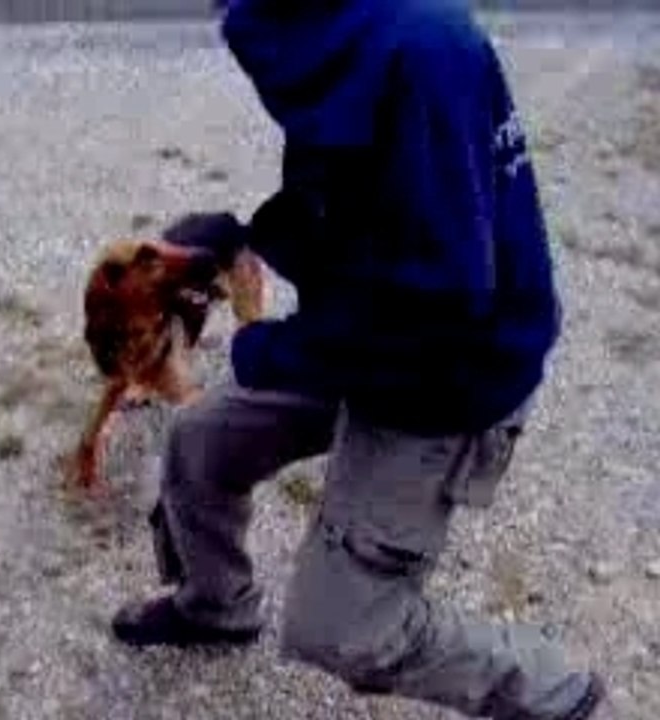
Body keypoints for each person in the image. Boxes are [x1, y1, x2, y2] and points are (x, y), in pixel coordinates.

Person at [110, 1, 606, 718]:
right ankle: (216, 606)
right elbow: (363, 211)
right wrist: (238, 241)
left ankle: (561, 697)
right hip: (371, 342)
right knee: (199, 443)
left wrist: (266, 344)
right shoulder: (326, 31)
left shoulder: (418, 49)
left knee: (344, 629)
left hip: (447, 380)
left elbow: (438, 307)